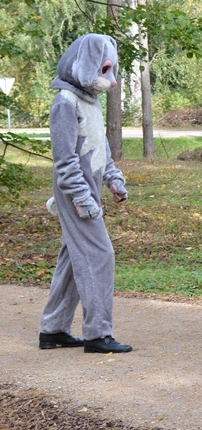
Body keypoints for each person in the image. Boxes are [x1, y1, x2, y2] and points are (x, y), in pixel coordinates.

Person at [39, 34, 132, 354]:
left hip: (89, 188)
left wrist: (113, 180)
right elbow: (64, 161)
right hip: (74, 192)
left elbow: (99, 147)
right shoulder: (64, 103)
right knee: (99, 254)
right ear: (87, 64)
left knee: (73, 257)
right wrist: (82, 198)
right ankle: (97, 334)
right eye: (105, 70)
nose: (112, 81)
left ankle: (52, 329)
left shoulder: (89, 101)